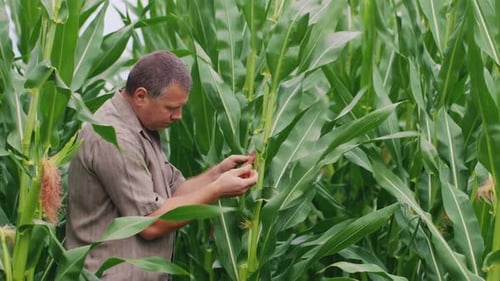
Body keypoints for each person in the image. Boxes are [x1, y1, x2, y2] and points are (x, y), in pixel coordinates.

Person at [65, 51, 258, 280]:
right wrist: (217, 190)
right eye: (171, 107)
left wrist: (218, 174)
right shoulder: (113, 136)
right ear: (141, 96)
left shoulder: (143, 128)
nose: (178, 116)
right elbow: (150, 223)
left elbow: (174, 193)